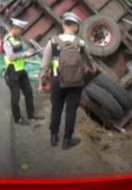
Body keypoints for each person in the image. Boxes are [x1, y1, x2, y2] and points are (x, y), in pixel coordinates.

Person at [39, 12, 95, 150]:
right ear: (76, 28)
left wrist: (43, 81)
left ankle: (53, 136)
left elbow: (45, 64)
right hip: (76, 82)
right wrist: (92, 68)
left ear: (64, 25)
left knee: (56, 108)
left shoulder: (52, 41)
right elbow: (90, 61)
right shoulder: (81, 43)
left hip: (58, 80)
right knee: (71, 111)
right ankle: (67, 140)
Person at [3, 18, 44, 126]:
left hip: (21, 70)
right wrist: (25, 54)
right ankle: (18, 118)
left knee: (29, 93)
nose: (21, 31)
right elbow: (11, 57)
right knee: (15, 97)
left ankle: (31, 114)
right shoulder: (7, 40)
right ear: (15, 28)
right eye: (20, 29)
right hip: (12, 72)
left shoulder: (18, 38)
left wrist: (29, 52)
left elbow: (21, 52)